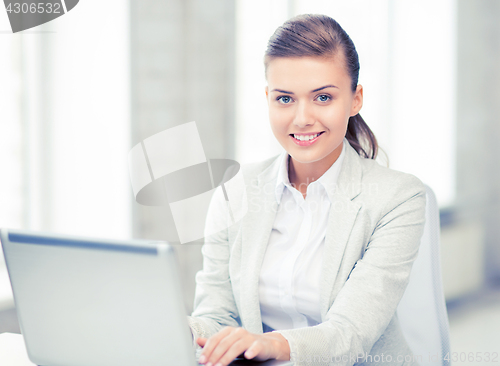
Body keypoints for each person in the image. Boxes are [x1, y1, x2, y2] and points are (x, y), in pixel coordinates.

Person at [187, 14, 426, 366]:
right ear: (268, 98)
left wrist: (270, 344)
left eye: (323, 98)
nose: (301, 118)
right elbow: (217, 314)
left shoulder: (398, 198)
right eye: (285, 99)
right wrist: (188, 330)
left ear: (355, 99)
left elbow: (350, 334)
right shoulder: (234, 192)